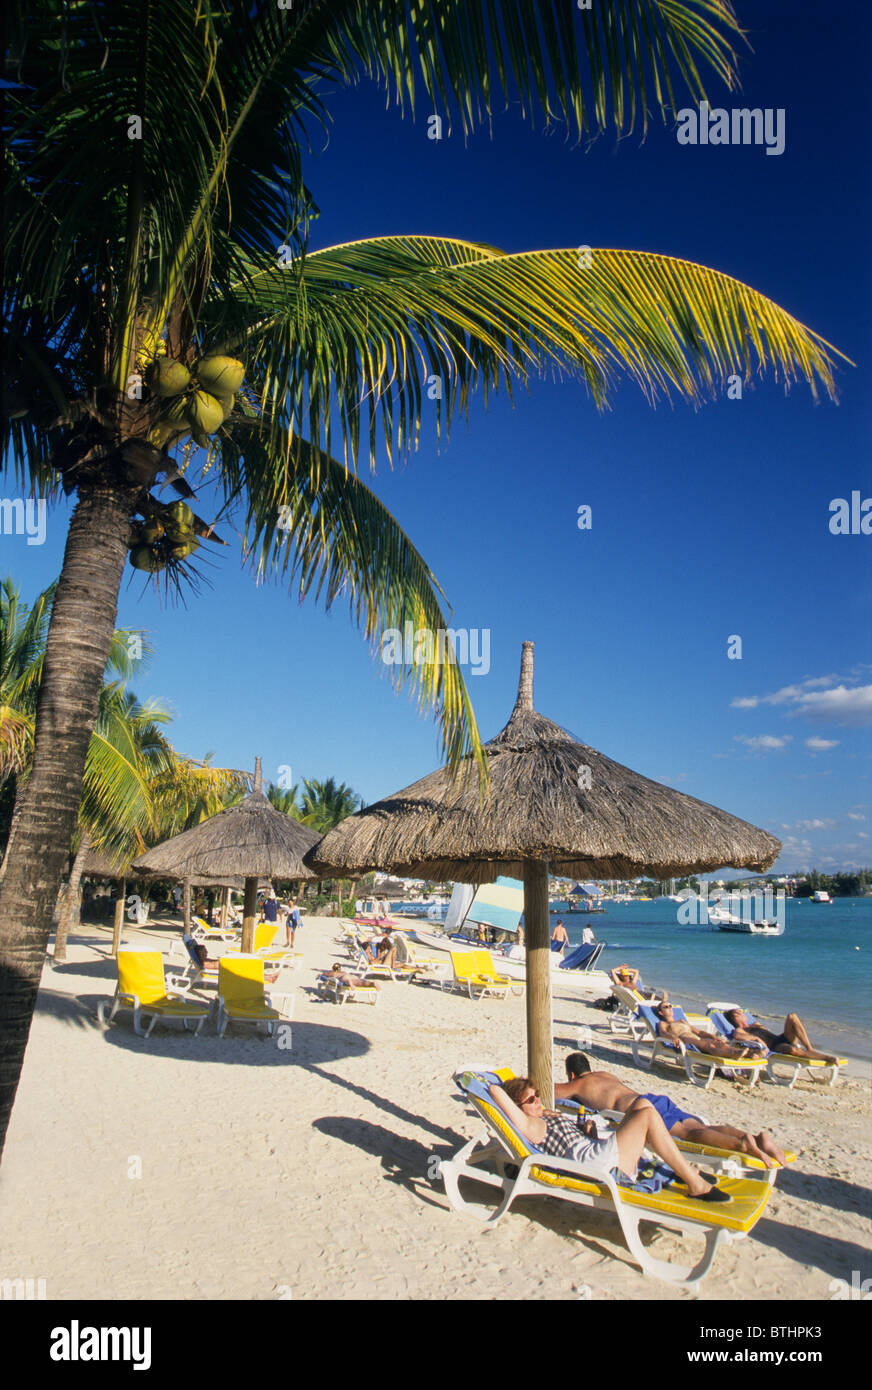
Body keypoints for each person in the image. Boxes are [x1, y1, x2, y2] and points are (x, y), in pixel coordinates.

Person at [489, 1077, 730, 1202]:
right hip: (594, 1164)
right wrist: (494, 1084)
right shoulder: (529, 1125)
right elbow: (495, 1091)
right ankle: (694, 1183)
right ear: (518, 1108)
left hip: (593, 1149)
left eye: (537, 1095)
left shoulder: (542, 1116)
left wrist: (588, 1133)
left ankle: (681, 1170)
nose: (538, 1101)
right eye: (530, 1100)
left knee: (643, 1104)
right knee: (646, 1115)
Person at [556, 1053, 787, 1169]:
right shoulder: (605, 1075)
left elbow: (552, 1090)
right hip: (654, 1100)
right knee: (699, 1127)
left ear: (573, 1074)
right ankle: (756, 1137)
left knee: (688, 1135)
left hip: (643, 1110)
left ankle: (743, 1145)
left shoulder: (578, 1084)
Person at [724, 1008, 840, 1065]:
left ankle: (809, 1048)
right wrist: (756, 1039)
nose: (745, 1014)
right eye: (741, 1013)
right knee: (793, 1049)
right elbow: (738, 1036)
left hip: (780, 1038)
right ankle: (827, 1058)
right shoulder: (740, 1030)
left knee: (792, 1016)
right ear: (736, 1016)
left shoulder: (754, 1024)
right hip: (775, 1046)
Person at [655, 1002, 755, 1060]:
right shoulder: (663, 1023)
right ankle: (733, 1054)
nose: (670, 1008)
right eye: (666, 1007)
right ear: (660, 1012)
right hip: (684, 1039)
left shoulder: (682, 1021)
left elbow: (699, 1032)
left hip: (695, 1038)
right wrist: (673, 1037)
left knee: (718, 1043)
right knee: (709, 1045)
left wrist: (713, 1036)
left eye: (670, 1006)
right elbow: (663, 1033)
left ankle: (746, 1053)